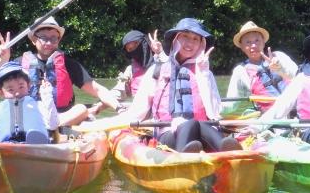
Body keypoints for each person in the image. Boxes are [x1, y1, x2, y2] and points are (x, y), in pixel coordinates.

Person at [111, 18, 242, 153]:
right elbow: (137, 113)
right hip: (167, 134)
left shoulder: (204, 72)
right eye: (185, 36)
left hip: (202, 133)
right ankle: (182, 160)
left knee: (200, 124)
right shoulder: (157, 71)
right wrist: (111, 123)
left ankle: (232, 155)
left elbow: (214, 113)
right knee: (191, 123)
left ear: (201, 45)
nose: (189, 42)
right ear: (176, 39)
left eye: (195, 39)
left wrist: (203, 74)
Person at [0, 17, 124, 128]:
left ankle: (49, 126)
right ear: (33, 39)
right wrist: (4, 59)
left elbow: (98, 90)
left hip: (60, 117)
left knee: (81, 109)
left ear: (58, 40)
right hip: (28, 114)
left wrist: (119, 108)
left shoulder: (70, 65)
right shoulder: (19, 64)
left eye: (53, 38)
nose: (49, 43)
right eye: (43, 38)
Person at [221, 21, 298, 116]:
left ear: (263, 42)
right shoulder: (240, 71)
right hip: (272, 120)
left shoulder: (279, 56)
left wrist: (279, 68)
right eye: (248, 42)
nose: (253, 45)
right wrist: (210, 107)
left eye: (257, 40)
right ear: (242, 46)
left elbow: (300, 78)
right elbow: (231, 105)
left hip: (298, 112)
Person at [88, 29, 167, 116]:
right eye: (130, 49)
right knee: (116, 130)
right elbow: (118, 93)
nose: (134, 50)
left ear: (144, 41)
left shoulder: (164, 61)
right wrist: (98, 106)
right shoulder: (131, 70)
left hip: (162, 115)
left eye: (136, 44)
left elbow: (173, 73)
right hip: (141, 116)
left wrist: (160, 52)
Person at [0, 61, 57, 143]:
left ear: (28, 86)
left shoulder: (39, 105)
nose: (17, 93)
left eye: (21, 87)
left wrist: (47, 96)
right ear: (1, 93)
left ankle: (37, 144)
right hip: (7, 145)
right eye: (10, 90)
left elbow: (53, 125)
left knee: (36, 136)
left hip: (36, 142)